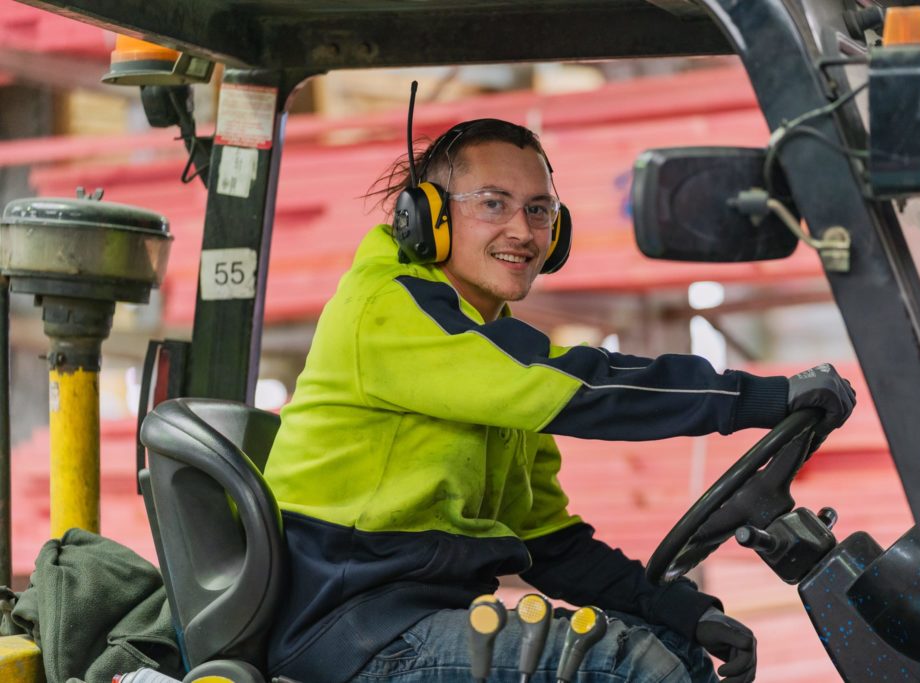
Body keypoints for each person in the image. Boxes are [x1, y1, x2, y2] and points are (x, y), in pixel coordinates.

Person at [263, 118, 855, 683]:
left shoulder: (486, 364)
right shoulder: (392, 309)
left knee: (673, 653)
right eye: (493, 204)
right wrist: (759, 398)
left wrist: (681, 611)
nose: (523, 231)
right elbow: (585, 387)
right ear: (427, 217)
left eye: (539, 210)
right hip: (354, 634)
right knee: (634, 670)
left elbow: (545, 542)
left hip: (408, 623)